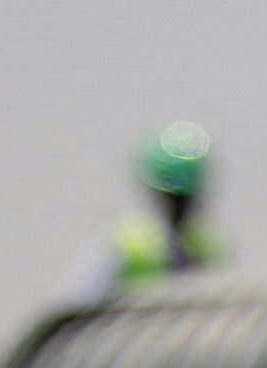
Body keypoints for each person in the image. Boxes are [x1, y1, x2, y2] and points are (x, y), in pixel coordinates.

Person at [95, 125, 224, 294]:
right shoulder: (126, 243)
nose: (179, 206)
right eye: (172, 198)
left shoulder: (209, 244)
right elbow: (78, 301)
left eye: (184, 199)